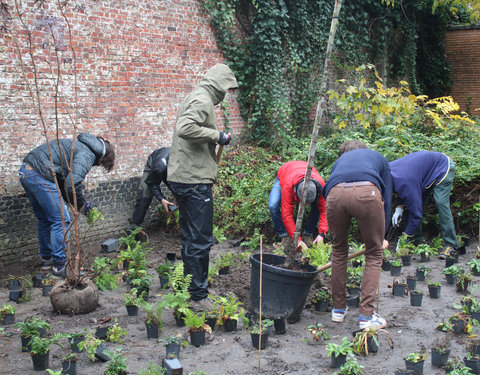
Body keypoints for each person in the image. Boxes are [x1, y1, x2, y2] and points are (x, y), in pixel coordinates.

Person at [167, 63, 238, 310]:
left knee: (190, 237)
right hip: (194, 181)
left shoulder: (196, 96)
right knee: (199, 239)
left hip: (184, 177)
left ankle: (192, 288)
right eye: (226, 89)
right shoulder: (202, 99)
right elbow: (185, 128)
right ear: (218, 84)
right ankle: (198, 296)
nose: (225, 95)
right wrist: (217, 136)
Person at [19, 133, 115, 277]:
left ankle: (47, 259)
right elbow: (71, 185)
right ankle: (60, 265)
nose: (99, 165)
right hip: (41, 174)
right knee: (62, 219)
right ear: (102, 159)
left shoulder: (78, 146)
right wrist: (82, 206)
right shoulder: (86, 155)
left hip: (26, 171)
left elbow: (65, 183)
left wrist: (74, 203)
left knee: (45, 219)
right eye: (102, 164)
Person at [323, 140, 392, 330]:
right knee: (374, 253)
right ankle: (366, 317)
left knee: (338, 251)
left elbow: (328, 189)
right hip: (367, 192)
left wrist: (333, 238)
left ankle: (338, 310)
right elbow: (386, 198)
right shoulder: (378, 158)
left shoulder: (340, 160)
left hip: (334, 195)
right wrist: (382, 236)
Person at [389, 151, 459, 259]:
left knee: (441, 203)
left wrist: (405, 237)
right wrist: (399, 207)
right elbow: (403, 190)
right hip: (423, 177)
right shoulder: (387, 173)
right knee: (409, 206)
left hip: (442, 166)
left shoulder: (406, 180)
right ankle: (417, 242)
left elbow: (416, 214)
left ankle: (451, 244)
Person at [268, 160, 328, 249]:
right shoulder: (288, 186)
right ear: (296, 193)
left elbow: (324, 210)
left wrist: (322, 234)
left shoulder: (321, 186)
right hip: (286, 172)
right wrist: (297, 240)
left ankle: (308, 234)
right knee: (273, 205)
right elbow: (287, 214)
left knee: (317, 206)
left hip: (303, 168)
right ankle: (285, 236)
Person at [127, 147, 175, 237]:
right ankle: (133, 227)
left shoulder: (182, 162)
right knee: (145, 196)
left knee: (177, 190)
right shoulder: (159, 166)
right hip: (153, 165)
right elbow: (152, 183)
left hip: (168, 166)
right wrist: (162, 199)